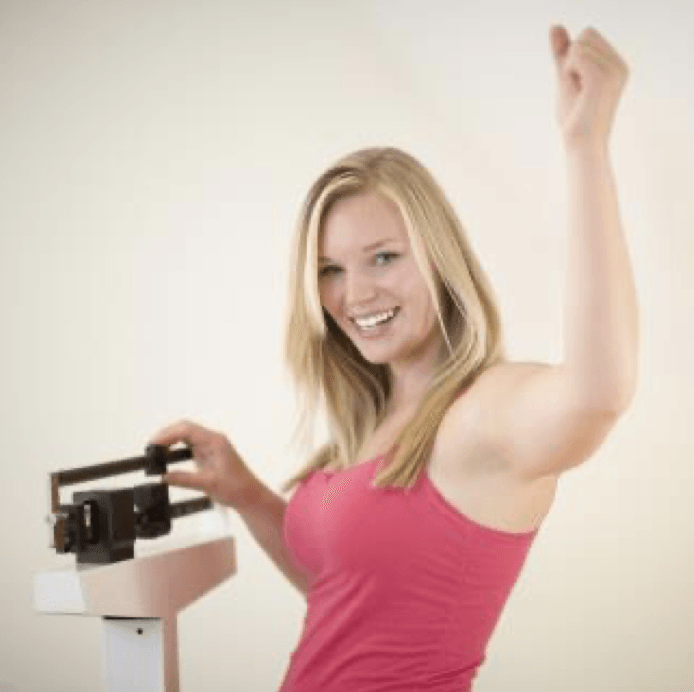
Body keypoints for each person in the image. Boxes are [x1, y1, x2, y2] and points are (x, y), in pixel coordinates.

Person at [147, 24, 637, 692]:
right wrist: (247, 493)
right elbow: (345, 594)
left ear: (440, 256)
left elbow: (598, 393)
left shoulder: (478, 418)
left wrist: (586, 146)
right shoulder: (377, 419)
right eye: (330, 270)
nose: (354, 294)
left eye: (382, 258)